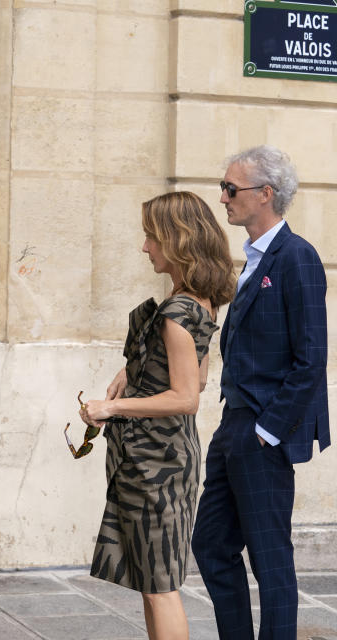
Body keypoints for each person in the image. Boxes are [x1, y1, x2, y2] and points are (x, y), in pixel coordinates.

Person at [80, 191, 236, 640]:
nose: (144, 247)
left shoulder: (176, 311)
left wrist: (112, 407)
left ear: (175, 239)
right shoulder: (198, 299)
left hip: (156, 465)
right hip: (167, 458)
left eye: (151, 236)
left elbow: (187, 396)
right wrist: (132, 373)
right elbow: (196, 376)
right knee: (153, 583)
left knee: (160, 588)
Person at [191, 146, 329, 639]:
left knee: (270, 558)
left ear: (265, 194)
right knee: (210, 545)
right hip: (235, 424)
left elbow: (312, 358)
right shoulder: (252, 259)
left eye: (231, 188)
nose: (223, 197)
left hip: (262, 429)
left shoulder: (297, 257)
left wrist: (268, 431)